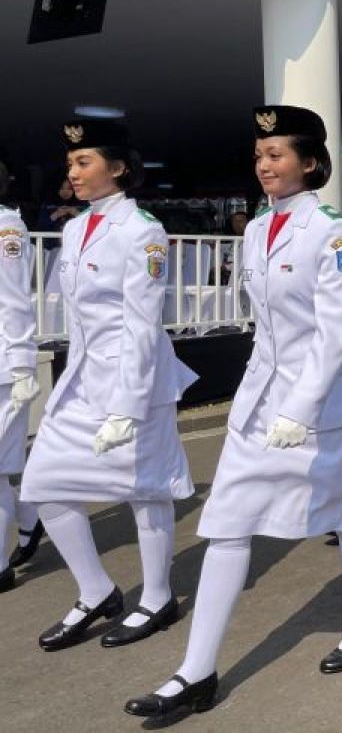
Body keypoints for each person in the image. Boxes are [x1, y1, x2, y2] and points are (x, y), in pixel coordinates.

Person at [126, 106, 342, 719]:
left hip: (327, 405)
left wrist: (300, 406)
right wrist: (266, 399)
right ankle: (196, 671)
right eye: (259, 155)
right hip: (260, 399)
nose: (264, 164)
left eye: (277, 154)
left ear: (310, 162)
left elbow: (333, 331)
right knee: (226, 522)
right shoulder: (254, 230)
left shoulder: (333, 230)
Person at [21, 120, 197, 650]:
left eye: (84, 162)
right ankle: (95, 590)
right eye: (70, 163)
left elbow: (143, 322)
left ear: (118, 168)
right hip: (84, 374)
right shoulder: (75, 229)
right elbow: (70, 310)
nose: (72, 172)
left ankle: (158, 597)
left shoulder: (142, 231)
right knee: (45, 483)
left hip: (134, 374)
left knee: (146, 488)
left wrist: (127, 402)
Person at [0, 161, 40, 591]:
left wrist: (23, 363)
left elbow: (13, 299)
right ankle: (33, 514)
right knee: (7, 464)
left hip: (3, 365)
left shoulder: (6, 227)